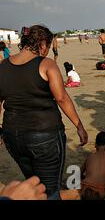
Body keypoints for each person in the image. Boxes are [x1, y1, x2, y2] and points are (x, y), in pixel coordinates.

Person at [0, 25, 88, 200]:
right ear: (42, 44)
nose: (47, 51)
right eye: (47, 47)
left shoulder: (3, 66)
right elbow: (61, 97)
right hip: (44, 135)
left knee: (33, 184)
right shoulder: (46, 64)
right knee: (50, 190)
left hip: (12, 135)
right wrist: (79, 125)